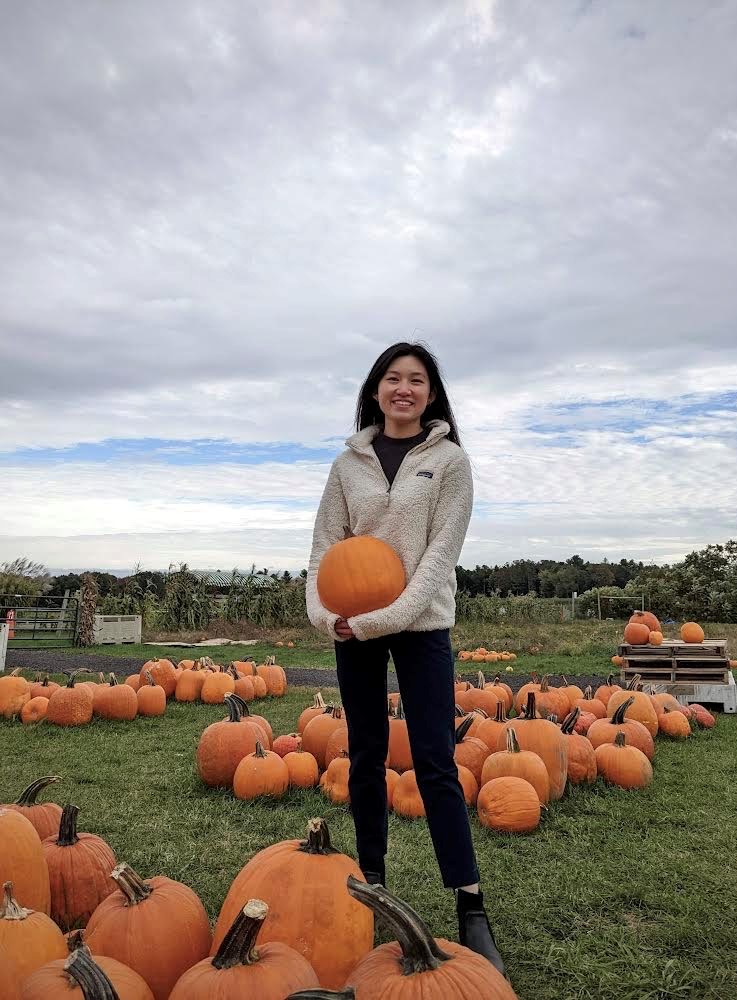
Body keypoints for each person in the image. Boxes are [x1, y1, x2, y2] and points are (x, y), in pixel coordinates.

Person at [305, 341, 505, 974]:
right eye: (393, 379)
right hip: (351, 625)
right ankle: (371, 884)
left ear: (431, 393)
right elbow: (321, 549)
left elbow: (440, 555)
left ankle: (470, 905)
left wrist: (378, 620)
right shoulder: (347, 464)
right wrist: (325, 616)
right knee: (363, 752)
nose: (404, 390)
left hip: (421, 626)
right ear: (375, 390)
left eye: (416, 381)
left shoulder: (449, 462)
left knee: (435, 760)